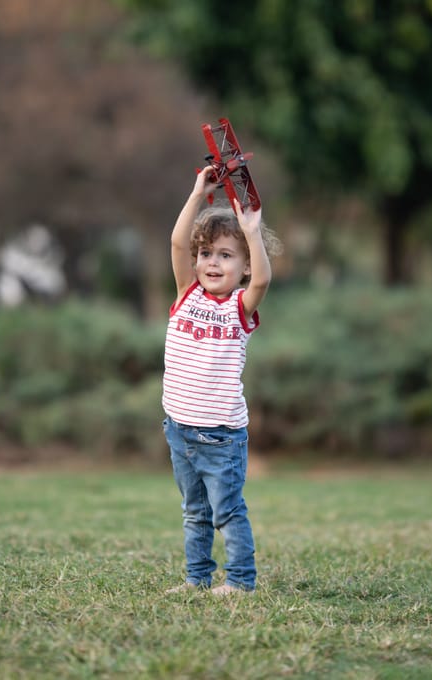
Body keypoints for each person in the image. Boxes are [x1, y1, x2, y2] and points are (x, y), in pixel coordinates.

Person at [162, 165, 282, 595]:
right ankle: (197, 580)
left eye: (226, 255)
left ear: (244, 267)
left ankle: (240, 582)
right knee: (193, 511)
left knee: (226, 512)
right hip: (179, 429)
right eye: (207, 253)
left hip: (222, 436)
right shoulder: (186, 293)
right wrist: (198, 194)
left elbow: (266, 278)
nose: (212, 262)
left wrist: (251, 229)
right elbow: (177, 242)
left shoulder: (239, 308)